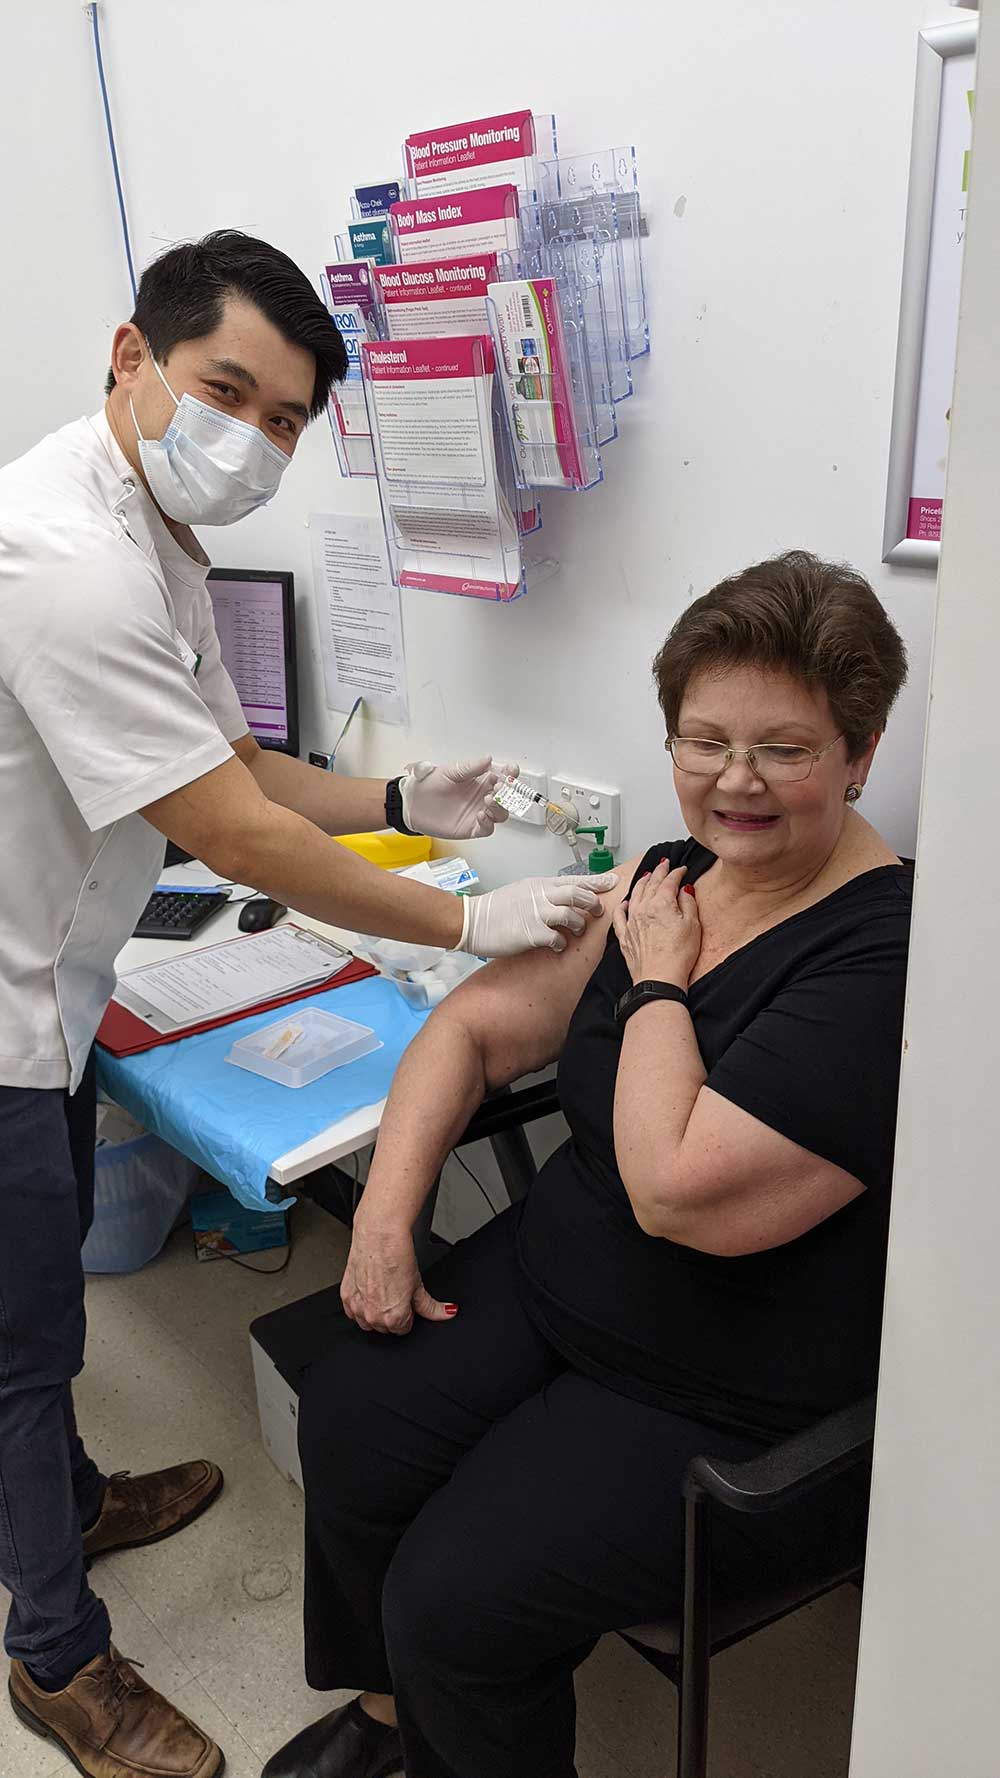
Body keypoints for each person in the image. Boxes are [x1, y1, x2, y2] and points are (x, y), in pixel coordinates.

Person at [0, 230, 614, 1778]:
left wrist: (402, 797)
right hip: (4, 1004)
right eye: (228, 392)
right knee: (18, 1338)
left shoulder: (159, 537)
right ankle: (57, 1658)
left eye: (283, 420)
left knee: (43, 1301)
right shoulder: (62, 554)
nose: (253, 440)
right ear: (131, 358)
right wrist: (464, 916)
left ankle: (69, 1499)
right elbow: (230, 831)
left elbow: (241, 763)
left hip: (54, 984)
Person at [263, 550, 913, 1778]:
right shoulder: (672, 877)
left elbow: (672, 1187)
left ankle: (439, 1689)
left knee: (455, 1600)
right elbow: (470, 1029)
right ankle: (396, 1716)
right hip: (559, 1275)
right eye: (703, 740)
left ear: (860, 751)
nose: (734, 780)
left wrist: (658, 978)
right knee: (352, 1417)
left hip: (718, 1382)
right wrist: (387, 1222)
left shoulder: (884, 961)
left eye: (782, 747)